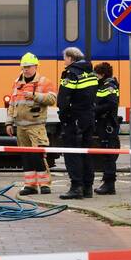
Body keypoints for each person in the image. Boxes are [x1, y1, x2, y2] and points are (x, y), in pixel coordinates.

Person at [5, 52, 57, 195]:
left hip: (36, 125)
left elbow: (52, 99)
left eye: (28, 67)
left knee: (38, 155)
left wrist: (35, 96)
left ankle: (45, 184)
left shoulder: (44, 82)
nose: (25, 70)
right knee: (26, 156)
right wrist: (9, 123)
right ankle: (30, 185)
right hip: (20, 126)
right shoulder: (17, 82)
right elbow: (12, 104)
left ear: (35, 66)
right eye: (23, 67)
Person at [57, 46, 99, 199]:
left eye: (65, 59)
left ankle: (76, 187)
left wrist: (64, 115)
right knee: (87, 152)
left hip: (74, 119)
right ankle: (88, 187)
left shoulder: (71, 73)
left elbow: (62, 99)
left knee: (72, 153)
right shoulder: (91, 73)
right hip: (88, 117)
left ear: (71, 58)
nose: (64, 62)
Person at [93, 62, 120, 195]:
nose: (94, 76)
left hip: (108, 125)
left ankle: (109, 184)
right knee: (106, 154)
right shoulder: (103, 85)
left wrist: (94, 110)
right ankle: (107, 182)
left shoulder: (109, 86)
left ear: (102, 74)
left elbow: (111, 103)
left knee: (109, 155)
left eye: (96, 74)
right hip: (104, 124)